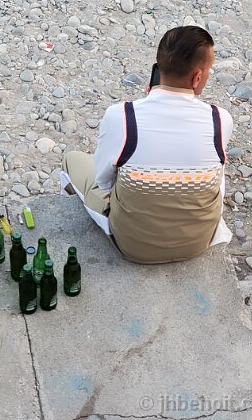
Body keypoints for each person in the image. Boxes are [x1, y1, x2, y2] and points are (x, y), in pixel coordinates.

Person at [61, 26, 234, 264]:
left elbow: (103, 182)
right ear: (196, 77)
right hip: (198, 243)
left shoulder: (122, 116)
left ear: (160, 67)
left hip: (134, 248)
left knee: (72, 159)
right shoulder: (220, 119)